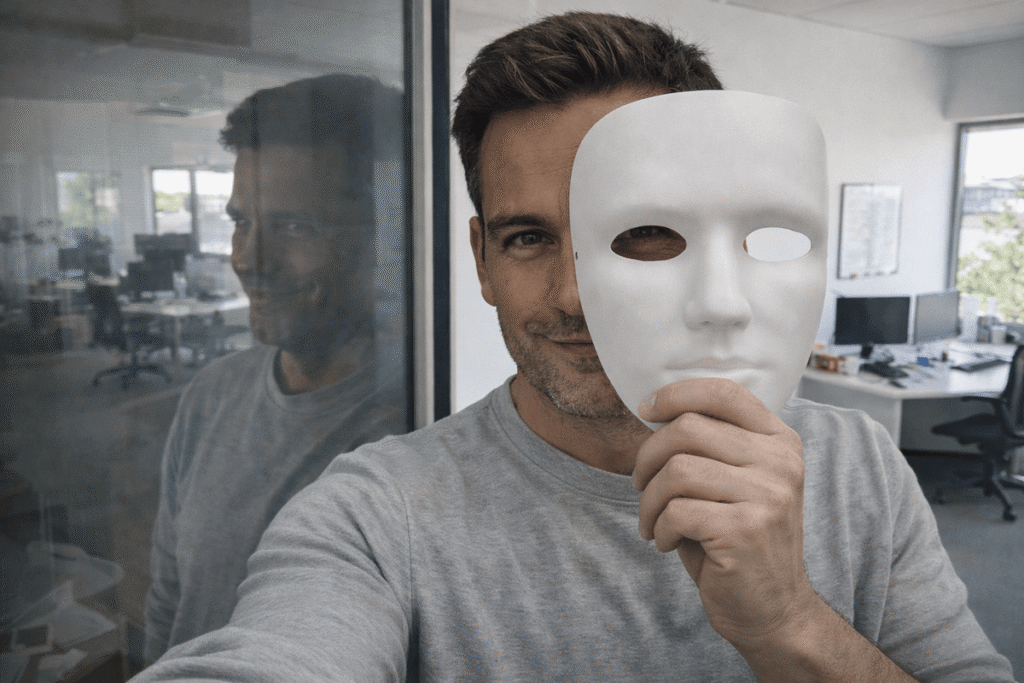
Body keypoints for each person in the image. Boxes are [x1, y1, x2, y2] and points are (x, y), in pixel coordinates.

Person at [136, 13, 1015, 681]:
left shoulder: (857, 466)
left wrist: (790, 620)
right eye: (528, 238)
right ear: (481, 261)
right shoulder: (378, 515)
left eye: (633, 235)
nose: (568, 295)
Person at [143, 74, 407, 662]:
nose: (249, 260)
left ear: (389, 237)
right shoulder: (211, 394)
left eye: (294, 226)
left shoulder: (418, 422)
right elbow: (170, 598)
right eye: (241, 223)